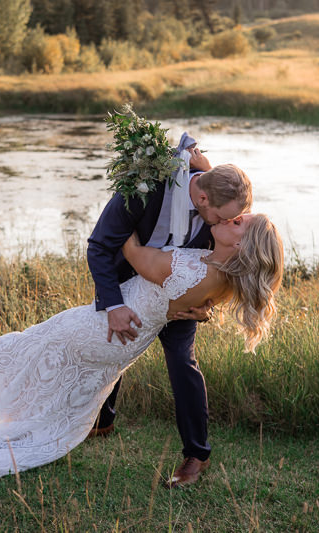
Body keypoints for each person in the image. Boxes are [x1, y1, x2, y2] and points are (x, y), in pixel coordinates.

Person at [0, 213, 284, 490]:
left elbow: (135, 252)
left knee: (41, 339)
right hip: (126, 336)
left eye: (240, 222)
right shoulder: (221, 275)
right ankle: (9, 388)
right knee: (53, 354)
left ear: (242, 243)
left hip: (109, 327)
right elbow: (185, 302)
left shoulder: (198, 270)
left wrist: (125, 209)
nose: (232, 219)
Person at [86, 150, 252, 487]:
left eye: (231, 220)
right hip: (126, 287)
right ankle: (102, 419)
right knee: (113, 347)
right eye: (220, 219)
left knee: (181, 361)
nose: (224, 226)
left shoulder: (224, 203)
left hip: (181, 293)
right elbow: (100, 246)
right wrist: (114, 305)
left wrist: (207, 308)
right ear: (202, 197)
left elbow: (227, 260)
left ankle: (197, 454)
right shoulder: (144, 186)